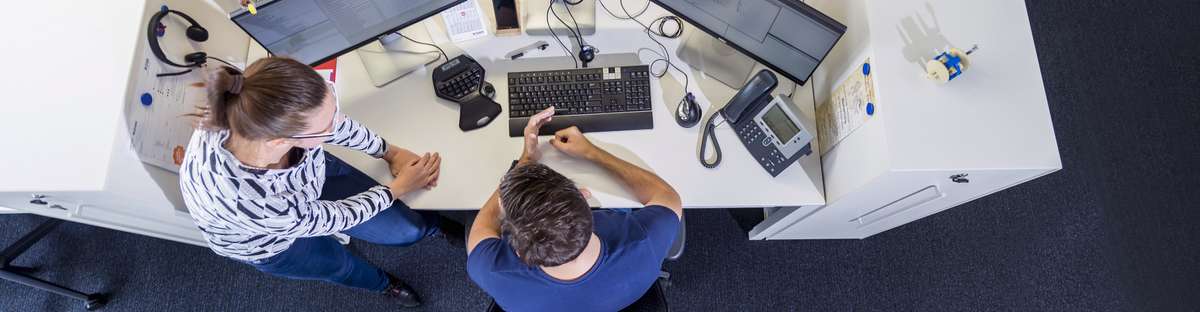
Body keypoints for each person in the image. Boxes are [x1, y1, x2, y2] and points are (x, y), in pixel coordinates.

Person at [178, 57, 460, 308]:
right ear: (281, 141)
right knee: (339, 265)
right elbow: (331, 218)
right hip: (270, 240)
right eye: (325, 127)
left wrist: (389, 152)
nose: (336, 124)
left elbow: (329, 123)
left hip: (306, 176)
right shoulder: (250, 200)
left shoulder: (254, 108)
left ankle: (431, 226)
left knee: (406, 228)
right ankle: (383, 284)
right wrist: (398, 189)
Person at [466, 107, 684, 311]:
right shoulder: (644, 243)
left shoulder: (490, 270)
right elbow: (668, 197)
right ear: (584, 195)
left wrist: (526, 160)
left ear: (519, 253)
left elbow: (483, 225)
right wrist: (591, 152)